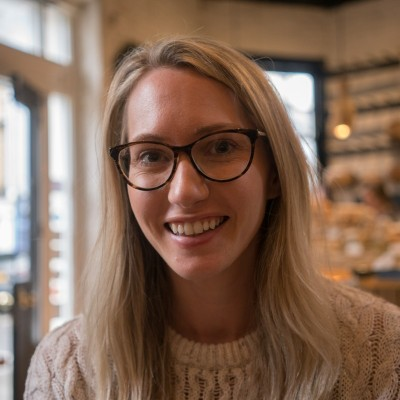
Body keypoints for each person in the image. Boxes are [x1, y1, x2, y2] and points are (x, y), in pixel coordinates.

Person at [24, 36, 400, 400]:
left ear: (274, 173)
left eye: (220, 147)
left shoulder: (383, 351)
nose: (184, 191)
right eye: (151, 155)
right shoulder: (66, 368)